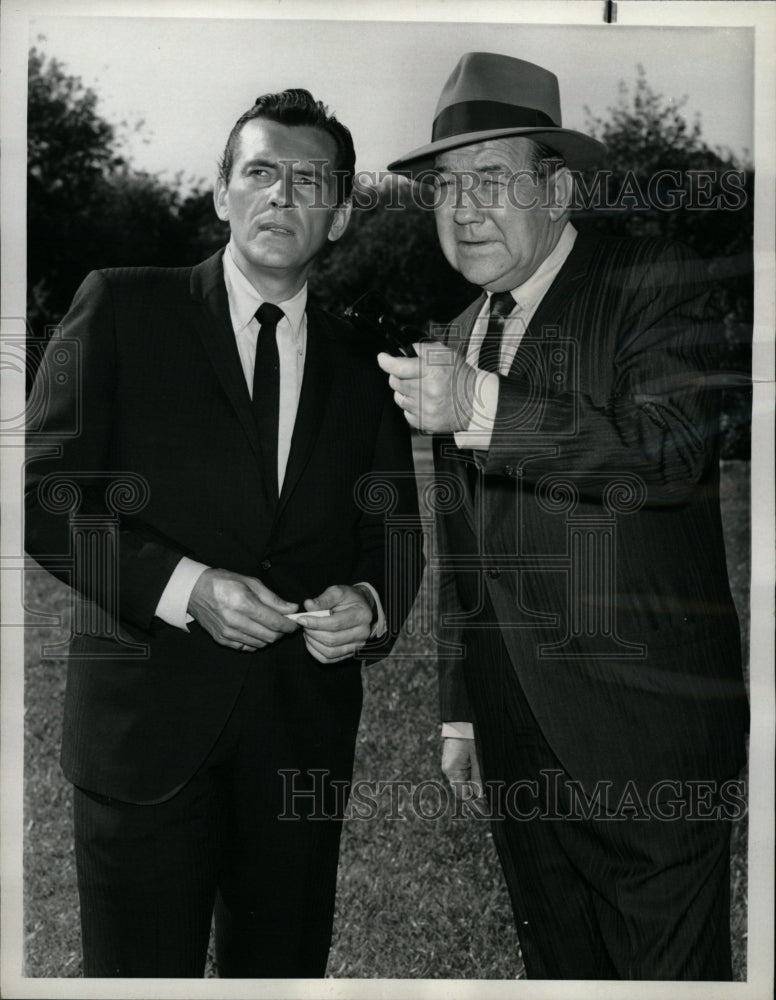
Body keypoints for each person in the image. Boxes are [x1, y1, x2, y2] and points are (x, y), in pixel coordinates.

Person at [25, 88, 422, 978]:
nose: (282, 195)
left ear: (342, 212)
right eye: (260, 172)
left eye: (309, 179)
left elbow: (393, 540)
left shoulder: (367, 365)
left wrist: (369, 602)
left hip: (299, 749)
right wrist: (186, 588)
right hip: (144, 744)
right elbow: (42, 496)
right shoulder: (123, 309)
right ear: (221, 191)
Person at [379, 52, 749, 980]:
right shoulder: (458, 335)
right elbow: (464, 548)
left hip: (644, 734)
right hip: (515, 733)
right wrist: (462, 715)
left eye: (492, 179)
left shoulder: (654, 280)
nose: (464, 209)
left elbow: (668, 450)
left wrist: (481, 408)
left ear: (562, 188)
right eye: (445, 187)